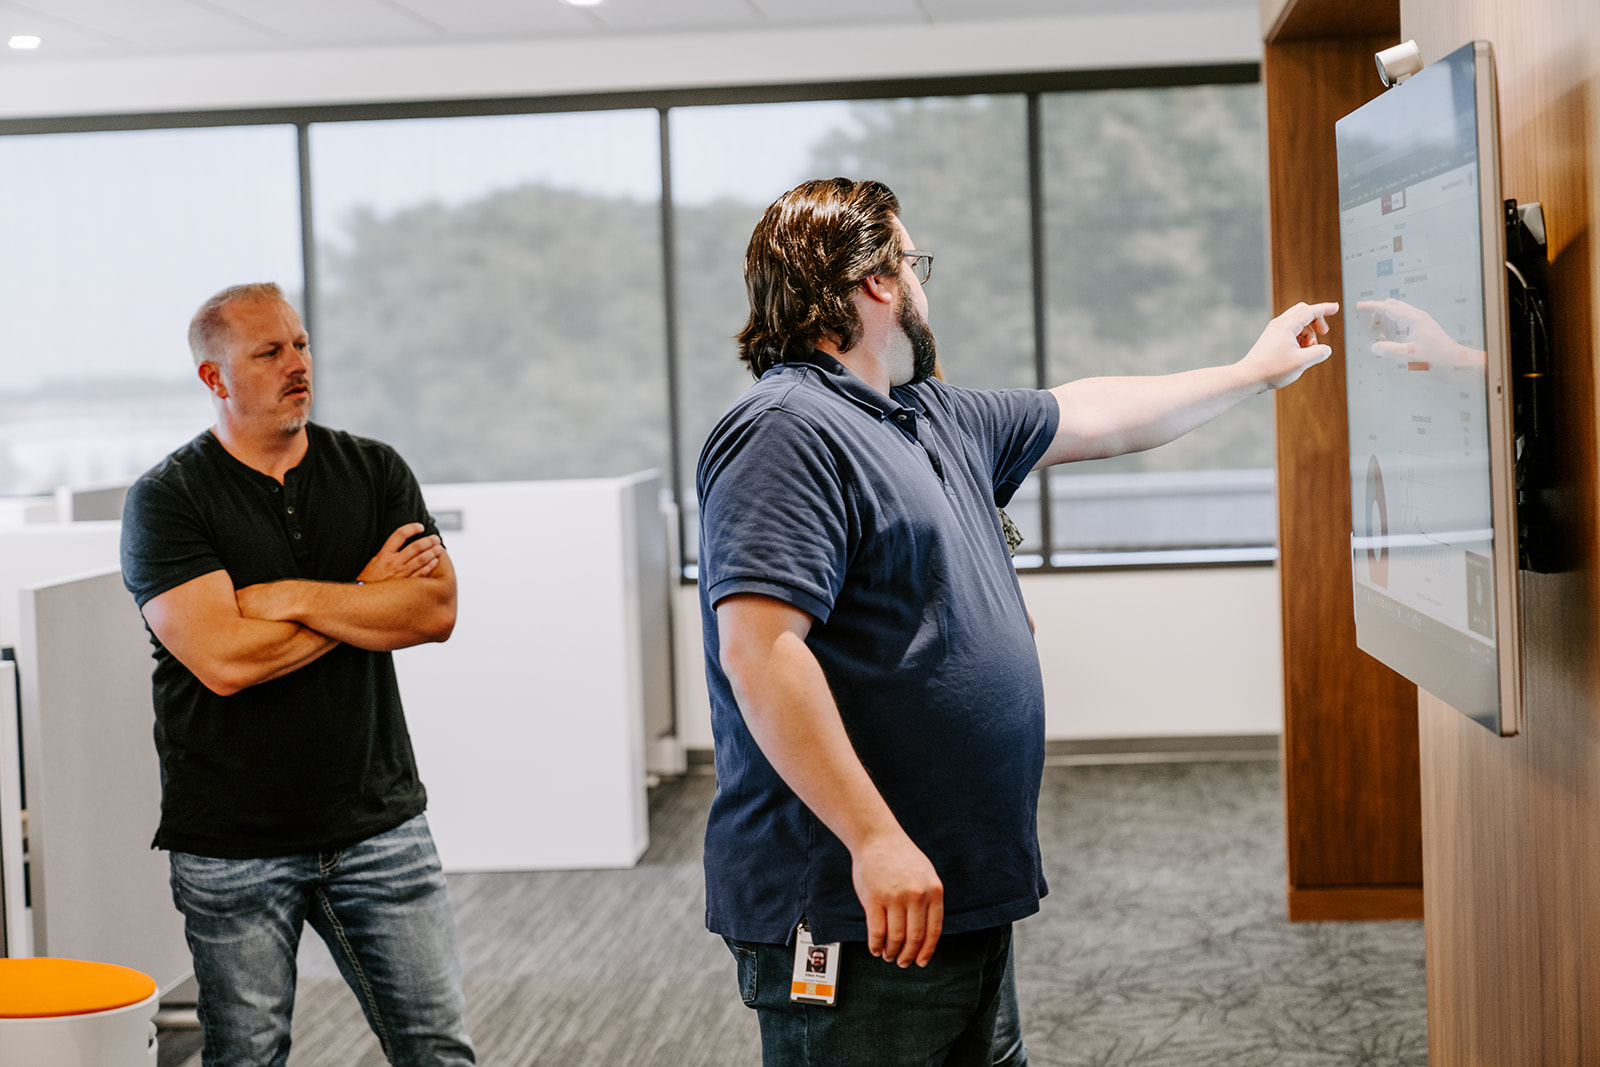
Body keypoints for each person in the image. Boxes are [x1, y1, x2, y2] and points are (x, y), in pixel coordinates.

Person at [696, 177, 1336, 1066]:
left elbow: (1098, 412)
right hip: (855, 896)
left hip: (955, 884)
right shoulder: (786, 429)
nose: (922, 286)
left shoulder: (930, 418)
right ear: (878, 281)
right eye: (913, 262)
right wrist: (874, 839)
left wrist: (1252, 371)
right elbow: (762, 651)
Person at [120, 282, 476, 1067]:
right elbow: (224, 660)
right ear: (215, 378)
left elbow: (434, 612)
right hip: (232, 840)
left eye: (302, 343)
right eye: (269, 351)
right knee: (247, 1056)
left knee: (439, 1051)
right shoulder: (167, 499)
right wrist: (364, 593)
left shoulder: (375, 470)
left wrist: (283, 598)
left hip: (378, 822)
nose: (297, 364)